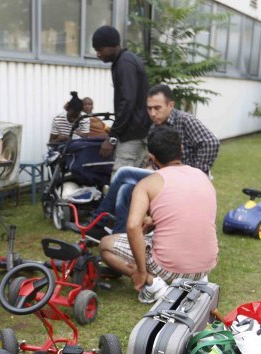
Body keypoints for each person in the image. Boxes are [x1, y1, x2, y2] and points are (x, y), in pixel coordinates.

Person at [99, 126, 218, 304]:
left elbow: (132, 227)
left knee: (105, 244)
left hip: (168, 267)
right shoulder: (202, 176)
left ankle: (152, 283)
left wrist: (139, 270)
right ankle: (196, 281)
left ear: (152, 158)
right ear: (181, 149)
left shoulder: (147, 183)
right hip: (205, 265)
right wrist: (154, 221)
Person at [93, 84, 221, 234]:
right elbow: (155, 158)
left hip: (183, 179)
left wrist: (197, 172)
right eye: (149, 108)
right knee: (126, 189)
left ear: (170, 105)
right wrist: (150, 167)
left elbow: (211, 142)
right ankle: (121, 235)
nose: (152, 113)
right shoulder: (154, 127)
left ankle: (97, 224)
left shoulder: (185, 120)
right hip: (164, 177)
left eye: (157, 108)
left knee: (123, 173)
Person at [91, 25, 150, 175]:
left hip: (132, 135)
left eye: (100, 49)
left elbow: (127, 102)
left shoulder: (125, 63)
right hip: (137, 131)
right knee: (137, 179)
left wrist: (111, 138)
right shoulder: (124, 61)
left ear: (113, 46)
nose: (98, 54)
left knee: (120, 178)